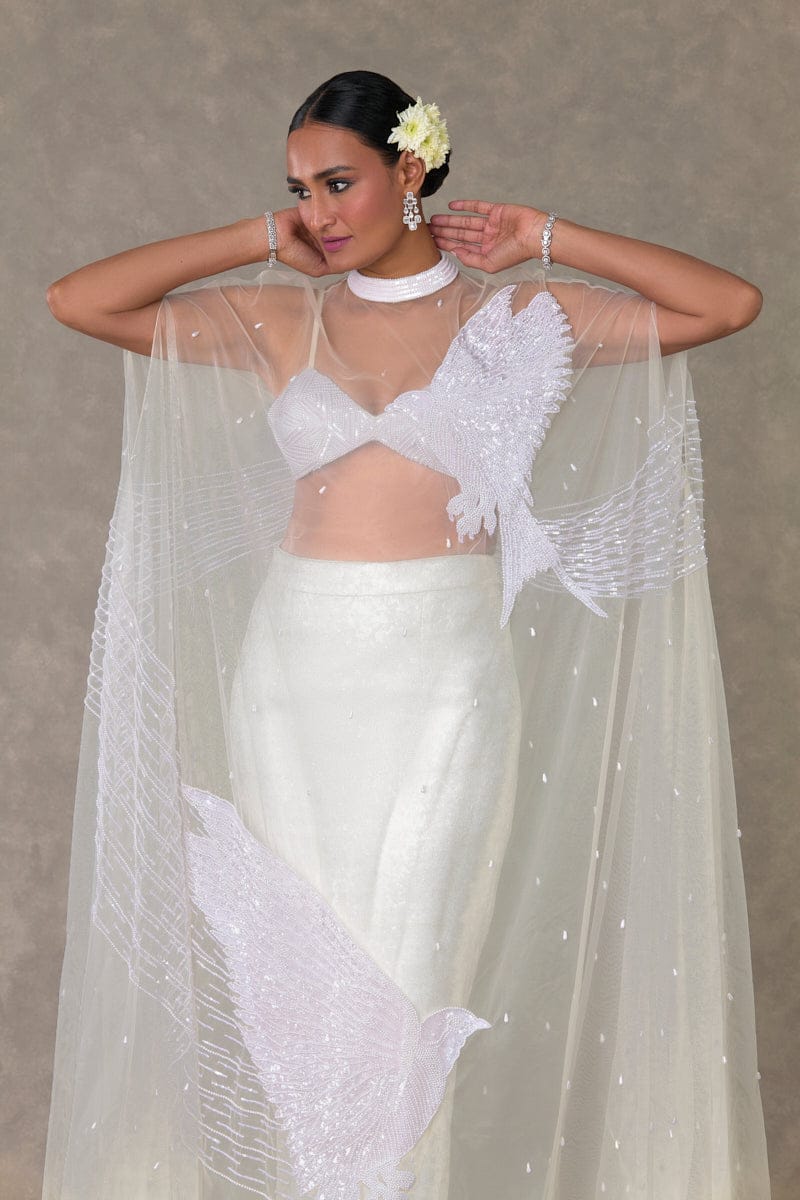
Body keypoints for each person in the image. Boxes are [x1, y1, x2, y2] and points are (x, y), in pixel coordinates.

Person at [43, 69, 772, 1200]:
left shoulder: (518, 319)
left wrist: (545, 237)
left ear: (412, 169)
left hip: (443, 672)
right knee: (298, 991)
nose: (319, 212)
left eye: (339, 183)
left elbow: (724, 306)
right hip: (294, 672)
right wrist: (261, 238)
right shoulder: (283, 317)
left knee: (411, 966)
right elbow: (77, 300)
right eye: (300, 189)